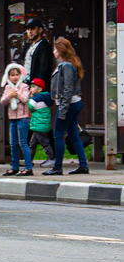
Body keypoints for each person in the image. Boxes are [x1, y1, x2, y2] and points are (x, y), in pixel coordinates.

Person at [46, 37, 89, 175]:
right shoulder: (68, 64)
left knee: (58, 134)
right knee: (74, 135)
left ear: (60, 50)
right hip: (73, 103)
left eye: (54, 49)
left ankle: (57, 167)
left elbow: (68, 89)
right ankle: (83, 165)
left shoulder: (66, 66)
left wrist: (63, 110)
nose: (53, 52)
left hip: (68, 104)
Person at [0, 63, 33, 176]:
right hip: (12, 118)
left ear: (21, 75)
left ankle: (28, 167)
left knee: (22, 142)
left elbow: (25, 99)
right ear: (8, 76)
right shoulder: (8, 87)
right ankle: (14, 167)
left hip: (23, 118)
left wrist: (17, 94)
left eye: (17, 74)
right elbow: (3, 101)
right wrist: (10, 95)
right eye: (12, 75)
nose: (14, 77)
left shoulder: (24, 86)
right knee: (13, 143)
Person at [20, 19, 53, 95]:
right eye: (28, 29)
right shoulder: (28, 46)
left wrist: (37, 86)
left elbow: (44, 69)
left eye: (33, 28)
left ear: (40, 30)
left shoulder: (44, 46)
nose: (30, 31)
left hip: (38, 89)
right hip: (26, 86)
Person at [28, 80, 54, 169]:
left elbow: (29, 107)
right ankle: (29, 160)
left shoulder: (36, 99)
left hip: (39, 125)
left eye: (33, 87)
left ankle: (51, 158)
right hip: (41, 125)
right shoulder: (46, 98)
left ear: (40, 89)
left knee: (45, 143)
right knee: (33, 143)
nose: (31, 88)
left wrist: (28, 97)